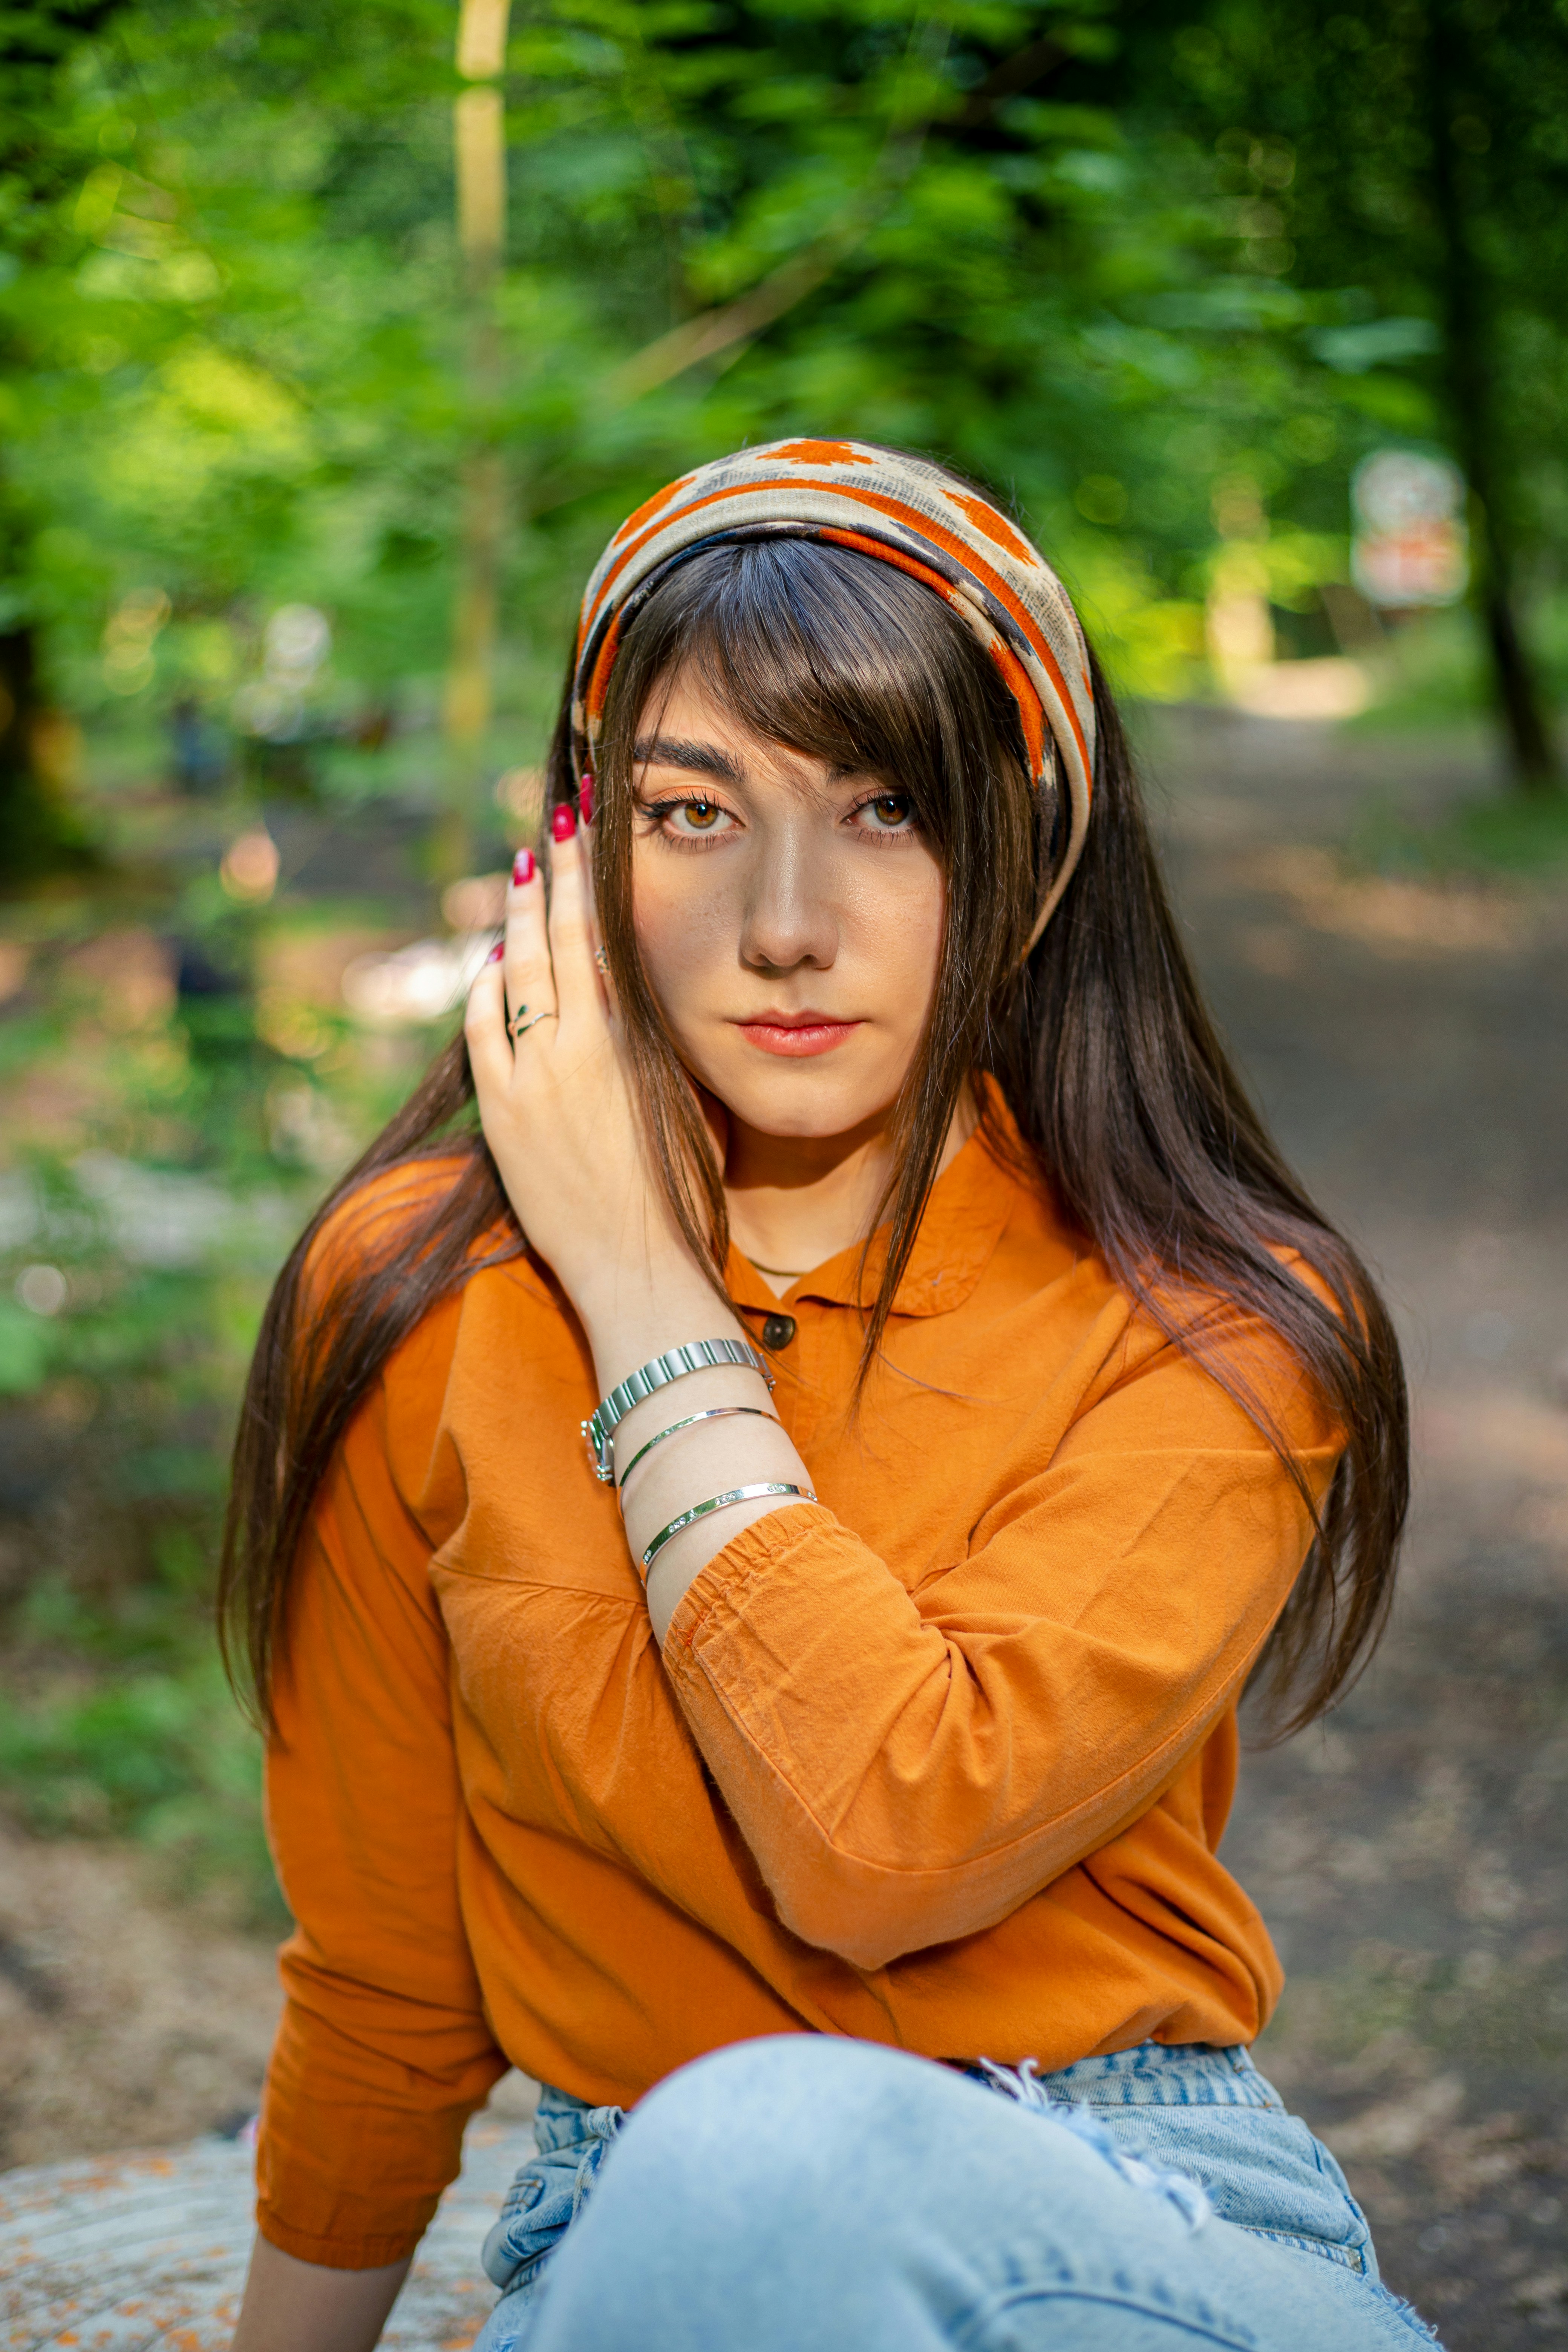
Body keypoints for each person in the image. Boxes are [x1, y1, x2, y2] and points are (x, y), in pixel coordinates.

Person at [221, 440, 1436, 2350]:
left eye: (885, 810)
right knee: (730, 2165)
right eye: (692, 814)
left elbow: (886, 1842)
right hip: (639, 2235)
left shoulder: (1212, 1317)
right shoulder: (412, 1298)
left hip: (1124, 2219)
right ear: (586, 856)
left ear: (1030, 847)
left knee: (778, 2143)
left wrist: (639, 1291)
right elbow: (385, 1984)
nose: (785, 921)